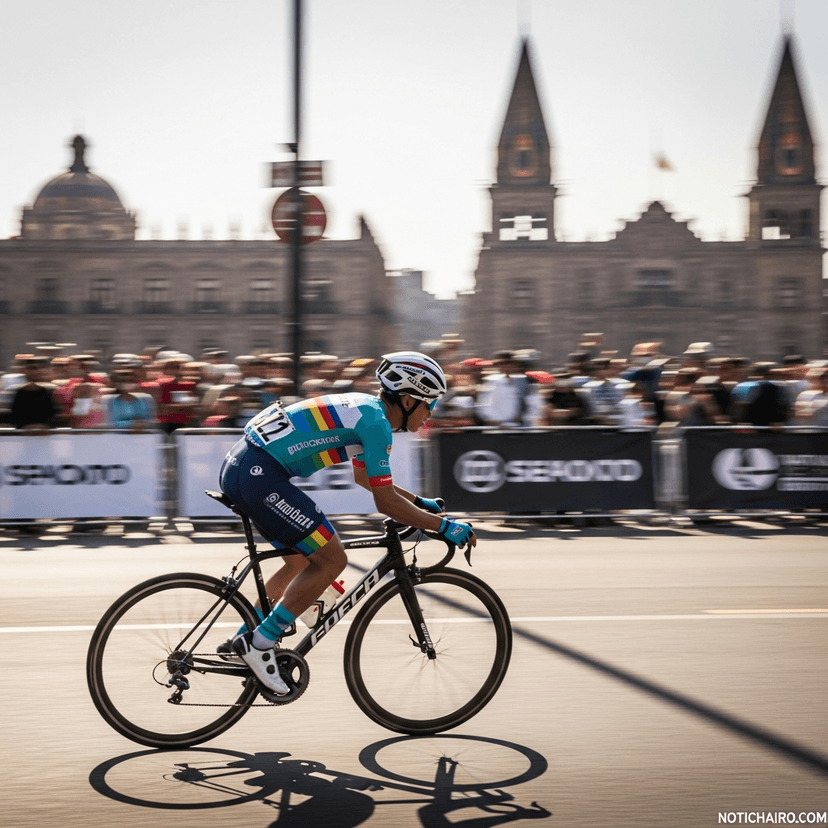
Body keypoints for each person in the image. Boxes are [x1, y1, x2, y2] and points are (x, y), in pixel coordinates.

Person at [217, 351, 476, 695]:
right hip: (260, 474)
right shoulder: (376, 425)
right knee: (333, 560)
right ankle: (258, 645)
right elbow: (384, 503)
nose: (431, 414)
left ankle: (240, 642)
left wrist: (418, 503)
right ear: (410, 399)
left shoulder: (366, 408)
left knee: (299, 562)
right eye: (430, 404)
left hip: (241, 465)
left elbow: (365, 478)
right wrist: (443, 526)